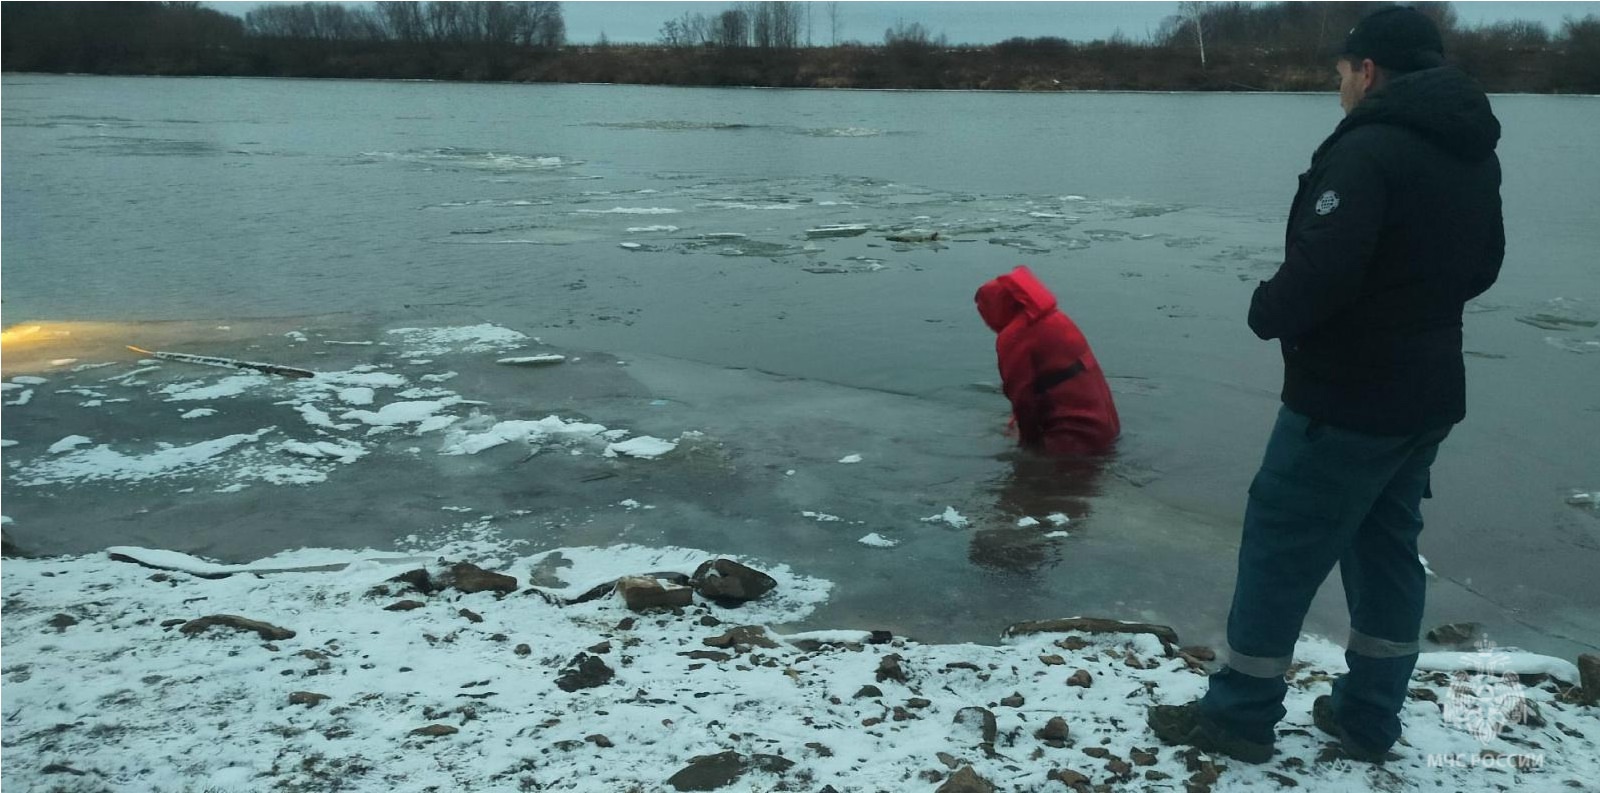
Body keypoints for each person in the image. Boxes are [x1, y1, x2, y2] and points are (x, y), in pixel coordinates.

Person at [1147, 5, 1504, 764]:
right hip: (1427, 394)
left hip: (1346, 397)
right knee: (1385, 550)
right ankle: (1368, 715)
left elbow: (1323, 270)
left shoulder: (1370, 151)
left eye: (1341, 72)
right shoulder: (1471, 150)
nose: (1338, 86)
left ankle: (1238, 715)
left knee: (1279, 547)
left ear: (1367, 71)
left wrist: (1266, 307)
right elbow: (1483, 265)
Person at [975, 265, 1120, 457]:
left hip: (1073, 439)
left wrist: (1027, 448)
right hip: (1105, 427)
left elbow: (1022, 397)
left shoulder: (1015, 335)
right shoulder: (1057, 319)